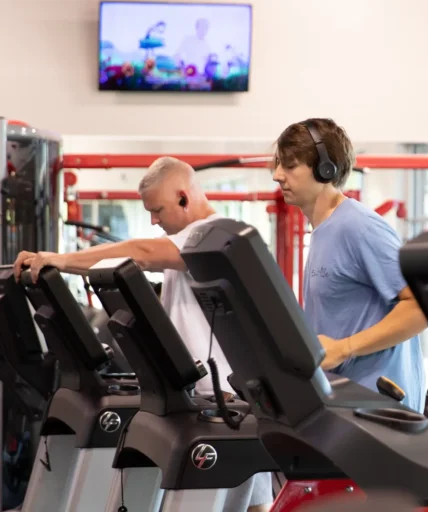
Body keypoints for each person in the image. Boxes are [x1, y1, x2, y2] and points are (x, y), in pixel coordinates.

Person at [12, 156, 272, 512]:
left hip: (226, 398)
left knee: (247, 500)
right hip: (201, 397)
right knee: (246, 501)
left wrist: (60, 259)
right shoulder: (190, 239)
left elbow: (142, 253)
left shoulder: (214, 232)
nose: (153, 220)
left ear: (183, 197)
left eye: (158, 209)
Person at [272, 118, 428, 412]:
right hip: (344, 406)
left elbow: (421, 308)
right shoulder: (322, 232)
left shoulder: (359, 227)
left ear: (324, 170)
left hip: (381, 410)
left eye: (290, 166)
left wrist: (344, 349)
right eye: (278, 164)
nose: (277, 175)